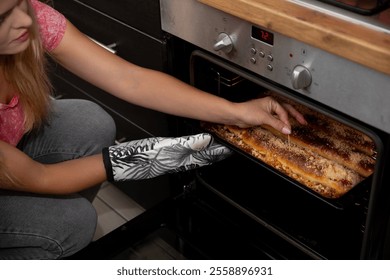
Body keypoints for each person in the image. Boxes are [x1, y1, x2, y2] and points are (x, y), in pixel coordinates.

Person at [0, 0, 307, 259]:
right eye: (3, 17)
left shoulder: (33, 19)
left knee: (89, 121)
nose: (26, 19)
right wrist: (154, 156)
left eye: (21, 2)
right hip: (17, 171)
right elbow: (40, 177)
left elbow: (128, 79)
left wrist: (236, 112)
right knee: (72, 222)